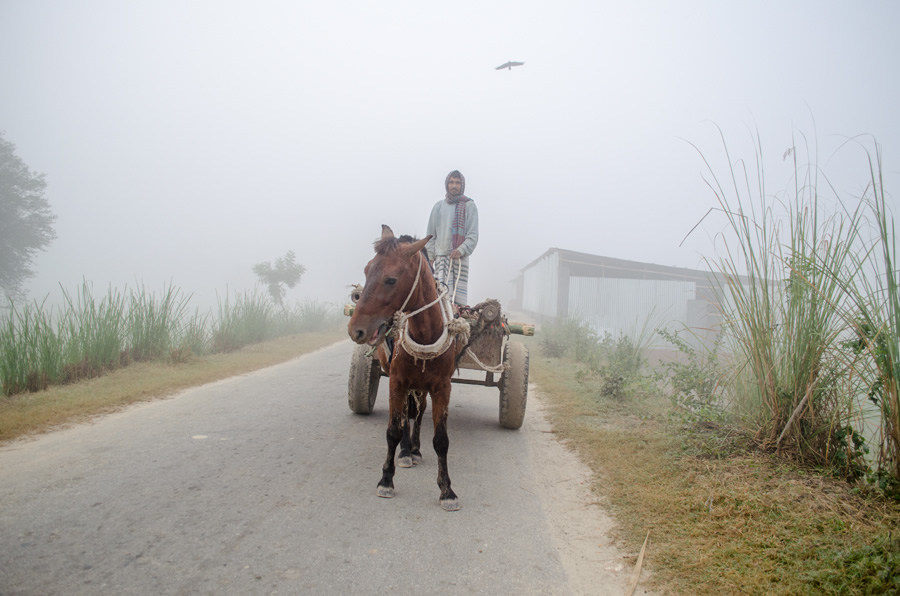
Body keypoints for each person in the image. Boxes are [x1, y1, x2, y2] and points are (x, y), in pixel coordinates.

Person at [426, 170, 479, 307]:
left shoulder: (469, 206)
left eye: (457, 183)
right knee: (438, 299)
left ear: (462, 185)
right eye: (451, 182)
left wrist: (461, 249)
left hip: (459, 260)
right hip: (440, 260)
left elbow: (473, 235)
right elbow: (430, 236)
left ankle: (456, 325)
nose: (454, 186)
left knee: (457, 304)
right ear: (446, 185)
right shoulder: (438, 207)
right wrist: (430, 257)